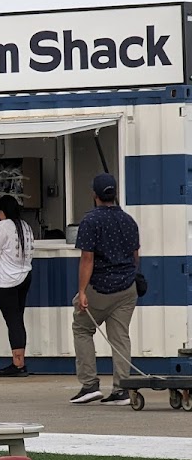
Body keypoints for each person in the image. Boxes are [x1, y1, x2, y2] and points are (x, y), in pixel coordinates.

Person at [70, 173, 140, 404]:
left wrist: (82, 291)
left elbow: (87, 259)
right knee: (120, 337)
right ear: (115, 194)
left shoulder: (90, 221)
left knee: (82, 328)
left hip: (100, 287)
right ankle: (123, 388)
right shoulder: (129, 220)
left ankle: (90, 384)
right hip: (127, 288)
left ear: (94, 195)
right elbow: (135, 256)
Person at [0, 195, 34, 377]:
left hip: (7, 281)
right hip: (25, 276)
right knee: (18, 319)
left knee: (13, 321)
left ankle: (18, 365)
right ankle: (20, 361)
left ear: (2, 211)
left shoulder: (3, 226)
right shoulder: (26, 226)